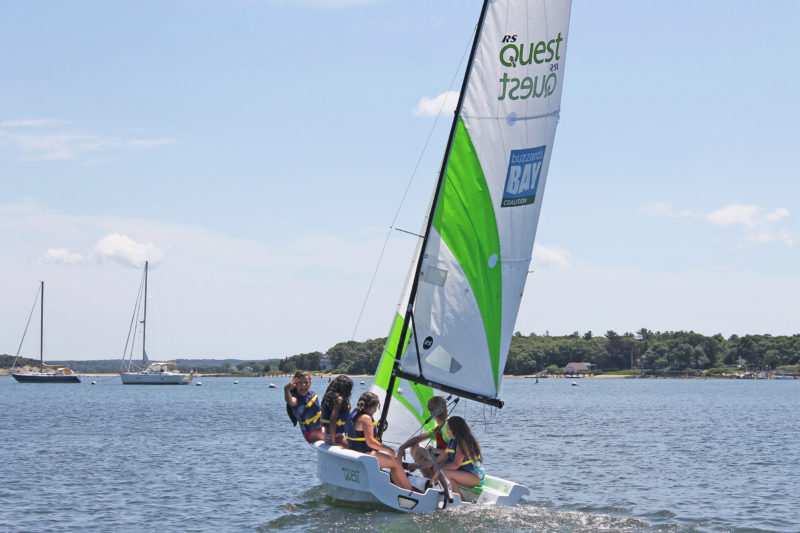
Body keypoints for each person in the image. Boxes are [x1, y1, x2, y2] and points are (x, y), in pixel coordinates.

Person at [345, 392, 412, 491]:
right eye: (376, 407)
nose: (376, 410)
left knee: (392, 463)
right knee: (396, 463)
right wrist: (390, 450)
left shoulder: (353, 414)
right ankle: (408, 491)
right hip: (366, 454)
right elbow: (370, 442)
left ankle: (399, 488)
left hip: (354, 452)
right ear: (372, 406)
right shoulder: (366, 418)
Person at [397, 396, 449, 478]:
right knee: (415, 446)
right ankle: (429, 480)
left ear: (431, 412)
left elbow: (452, 453)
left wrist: (435, 450)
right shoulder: (439, 427)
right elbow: (418, 438)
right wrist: (402, 447)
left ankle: (432, 483)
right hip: (441, 457)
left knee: (419, 452)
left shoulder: (447, 427)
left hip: (448, 461)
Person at [438, 416, 485, 499]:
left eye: (448, 428)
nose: (446, 431)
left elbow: (456, 465)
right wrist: (419, 466)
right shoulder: (453, 442)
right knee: (441, 471)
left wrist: (440, 471)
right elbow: (442, 457)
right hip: (466, 473)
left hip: (476, 476)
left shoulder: (463, 443)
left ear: (454, 430)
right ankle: (449, 496)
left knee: (445, 474)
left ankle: (460, 501)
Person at [283, 371, 323, 443]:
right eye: (300, 383)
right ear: (295, 384)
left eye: (306, 382)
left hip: (321, 428)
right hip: (311, 433)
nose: (303, 385)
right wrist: (286, 390)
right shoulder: (295, 397)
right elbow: (290, 402)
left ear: (310, 383)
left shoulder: (311, 393)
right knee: (334, 438)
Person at [320, 375, 353, 445]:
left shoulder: (328, 396)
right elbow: (333, 420)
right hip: (335, 437)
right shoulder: (338, 399)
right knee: (358, 448)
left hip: (330, 436)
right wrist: (333, 441)